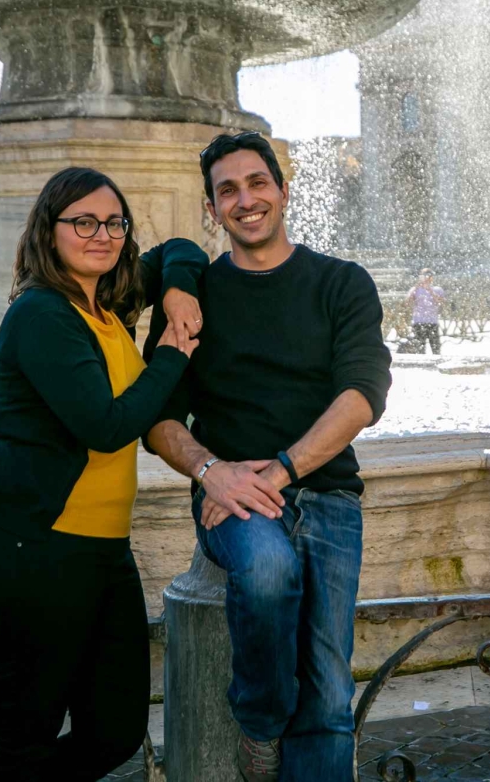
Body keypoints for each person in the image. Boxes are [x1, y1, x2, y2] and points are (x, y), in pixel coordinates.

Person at [144, 132, 392, 782]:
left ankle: (283, 730)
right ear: (211, 207)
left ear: (284, 189)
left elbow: (363, 394)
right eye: (228, 189)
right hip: (228, 492)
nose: (246, 199)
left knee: (329, 694)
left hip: (329, 495)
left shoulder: (342, 282)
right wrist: (211, 470)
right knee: (268, 569)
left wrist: (283, 468)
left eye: (258, 183)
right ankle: (259, 722)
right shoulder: (196, 297)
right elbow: (159, 418)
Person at [0, 167, 209, 781]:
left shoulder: (106, 302)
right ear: (51, 229)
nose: (103, 234)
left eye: (114, 222)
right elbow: (104, 424)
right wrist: (172, 352)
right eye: (84, 222)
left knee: (116, 729)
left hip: (99, 552)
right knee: (26, 735)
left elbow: (182, 248)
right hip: (30, 549)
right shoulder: (44, 313)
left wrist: (173, 291)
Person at [405, 268, 445, 354]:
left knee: (436, 348)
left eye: (429, 276)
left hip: (432, 322)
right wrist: (416, 288)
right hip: (418, 322)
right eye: (424, 276)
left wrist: (430, 291)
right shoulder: (415, 289)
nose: (426, 278)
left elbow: (440, 302)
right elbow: (407, 302)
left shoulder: (437, 289)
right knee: (419, 349)